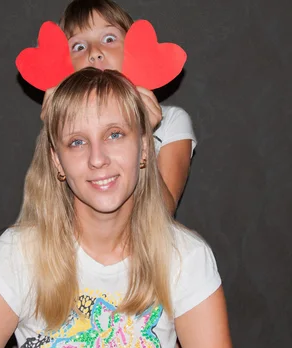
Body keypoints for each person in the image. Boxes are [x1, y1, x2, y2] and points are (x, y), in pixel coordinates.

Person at [0, 68, 232, 348]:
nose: (97, 159)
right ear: (57, 161)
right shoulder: (18, 254)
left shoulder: (186, 258)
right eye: (77, 142)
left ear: (145, 147)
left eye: (115, 135)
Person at [43, 0, 196, 215]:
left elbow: (163, 213)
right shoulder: (66, 130)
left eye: (109, 38)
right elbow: (50, 209)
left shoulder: (170, 120)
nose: (94, 52)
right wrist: (53, 132)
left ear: (134, 46)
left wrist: (144, 132)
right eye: (79, 46)